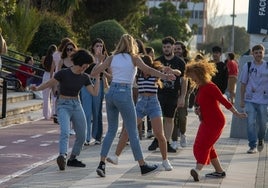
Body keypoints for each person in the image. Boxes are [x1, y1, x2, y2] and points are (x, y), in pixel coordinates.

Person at [90, 34, 176, 177]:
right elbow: (148, 70)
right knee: (132, 131)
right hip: (124, 92)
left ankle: (102, 164)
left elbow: (93, 73)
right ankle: (143, 166)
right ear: (132, 45)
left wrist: (99, 61)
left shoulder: (112, 58)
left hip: (111, 93)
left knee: (111, 130)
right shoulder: (134, 58)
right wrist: (165, 77)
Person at [30, 49, 100, 171]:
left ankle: (73, 158)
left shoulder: (84, 77)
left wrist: (98, 78)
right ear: (80, 62)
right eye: (86, 64)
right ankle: (62, 156)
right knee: (65, 131)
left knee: (82, 135)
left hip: (76, 104)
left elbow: (94, 92)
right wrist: (37, 88)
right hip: (63, 105)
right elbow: (49, 83)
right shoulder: (63, 73)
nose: (87, 67)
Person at [106, 55, 177, 171]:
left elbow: (178, 73)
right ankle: (115, 156)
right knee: (127, 130)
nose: (142, 68)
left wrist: (171, 71)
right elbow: (115, 76)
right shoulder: (137, 74)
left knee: (159, 134)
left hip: (153, 104)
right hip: (141, 103)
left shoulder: (155, 72)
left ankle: (165, 160)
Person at [184, 59, 247, 182]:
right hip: (206, 122)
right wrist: (199, 111)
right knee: (205, 145)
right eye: (191, 78)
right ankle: (219, 171)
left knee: (203, 145)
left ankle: (197, 169)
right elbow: (203, 104)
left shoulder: (210, 86)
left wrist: (237, 113)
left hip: (216, 122)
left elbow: (224, 101)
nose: (193, 80)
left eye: (193, 77)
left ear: (200, 74)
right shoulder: (201, 87)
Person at [148, 36, 186, 153]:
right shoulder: (157, 61)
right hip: (158, 93)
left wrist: (182, 97)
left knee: (170, 118)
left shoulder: (179, 62)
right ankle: (156, 139)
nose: (166, 49)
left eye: (168, 47)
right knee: (156, 118)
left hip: (173, 94)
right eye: (164, 47)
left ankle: (167, 141)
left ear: (173, 47)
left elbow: (184, 80)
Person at [239, 44, 268, 154]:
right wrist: (242, 100)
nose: (258, 54)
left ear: (263, 53)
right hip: (250, 99)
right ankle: (252, 145)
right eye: (256, 52)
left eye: (260, 52)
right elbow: (243, 84)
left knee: (263, 123)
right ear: (252, 54)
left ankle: (260, 139)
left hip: (264, 101)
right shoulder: (248, 65)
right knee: (250, 122)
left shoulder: (267, 66)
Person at [81, 38, 109, 145]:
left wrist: (101, 62)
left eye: (101, 46)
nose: (99, 48)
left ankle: (97, 136)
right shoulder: (88, 58)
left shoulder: (106, 59)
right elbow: (87, 72)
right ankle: (86, 137)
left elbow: (108, 74)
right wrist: (97, 62)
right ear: (93, 47)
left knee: (97, 111)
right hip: (87, 84)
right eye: (97, 46)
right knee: (86, 111)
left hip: (99, 83)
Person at [172, 41, 190, 149]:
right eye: (175, 49)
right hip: (172, 93)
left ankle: (183, 134)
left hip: (184, 93)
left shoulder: (187, 63)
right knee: (173, 117)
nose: (177, 51)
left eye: (179, 49)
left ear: (183, 50)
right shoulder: (170, 61)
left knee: (182, 117)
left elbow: (189, 79)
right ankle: (174, 140)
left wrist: (185, 94)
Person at [51, 37, 73, 124]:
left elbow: (52, 67)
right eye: (68, 49)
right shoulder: (61, 59)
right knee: (60, 97)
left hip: (60, 78)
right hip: (60, 79)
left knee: (57, 98)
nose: (69, 51)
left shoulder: (55, 54)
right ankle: (60, 115)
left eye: (71, 49)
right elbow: (55, 68)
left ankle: (57, 113)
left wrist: (51, 77)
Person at [41, 44, 57, 120]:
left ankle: (46, 114)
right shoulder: (56, 58)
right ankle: (54, 112)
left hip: (46, 75)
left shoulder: (44, 58)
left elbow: (44, 66)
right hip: (54, 74)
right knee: (55, 96)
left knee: (46, 96)